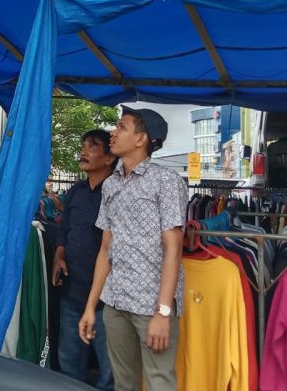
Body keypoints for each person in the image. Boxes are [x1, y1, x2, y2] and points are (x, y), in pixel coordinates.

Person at [78, 106, 187, 391]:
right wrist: (91, 307)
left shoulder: (167, 182)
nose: (113, 133)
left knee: (159, 383)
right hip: (115, 304)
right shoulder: (111, 185)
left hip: (152, 306)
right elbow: (105, 250)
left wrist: (163, 312)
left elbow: (173, 250)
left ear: (141, 139)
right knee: (123, 384)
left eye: (121, 127)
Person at [52, 130, 117, 390]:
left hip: (106, 297)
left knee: (109, 369)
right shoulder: (75, 192)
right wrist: (59, 256)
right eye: (84, 145)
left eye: (93, 146)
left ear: (109, 157)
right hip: (72, 291)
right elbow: (63, 230)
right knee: (68, 363)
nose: (85, 150)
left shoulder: (116, 193)